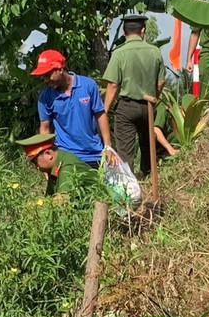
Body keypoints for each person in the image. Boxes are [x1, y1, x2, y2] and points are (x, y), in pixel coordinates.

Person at [102, 12, 166, 177]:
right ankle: (148, 177)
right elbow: (161, 82)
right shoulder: (155, 52)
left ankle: (129, 185)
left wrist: (104, 111)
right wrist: (154, 98)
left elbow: (113, 84)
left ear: (124, 32)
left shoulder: (119, 53)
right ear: (143, 31)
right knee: (148, 146)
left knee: (125, 150)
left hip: (127, 107)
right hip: (149, 106)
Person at [31, 48, 116, 166]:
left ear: (60, 69)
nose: (46, 80)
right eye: (43, 76)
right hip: (65, 156)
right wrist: (47, 158)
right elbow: (45, 128)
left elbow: (100, 115)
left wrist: (108, 147)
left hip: (93, 154)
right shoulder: (45, 97)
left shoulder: (88, 85)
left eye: (47, 75)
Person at [16, 131, 105, 200]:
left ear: (48, 154)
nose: (36, 167)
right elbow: (50, 197)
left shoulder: (68, 166)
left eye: (36, 162)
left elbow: (62, 200)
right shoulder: (55, 166)